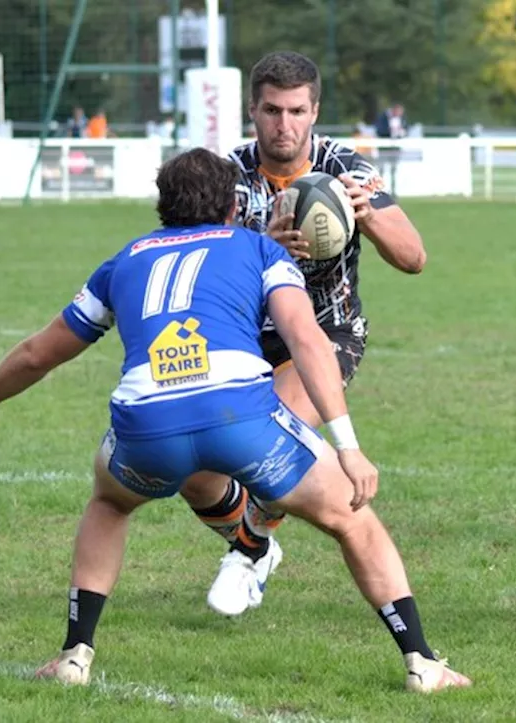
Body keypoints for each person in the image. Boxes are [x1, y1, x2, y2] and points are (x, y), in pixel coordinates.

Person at [0, 148, 470, 692]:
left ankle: (75, 653)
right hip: (239, 415)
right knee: (353, 520)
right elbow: (307, 340)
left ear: (162, 207)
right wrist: (347, 446)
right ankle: (422, 662)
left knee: (110, 503)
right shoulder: (258, 248)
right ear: (235, 205)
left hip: (145, 427)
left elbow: (39, 352)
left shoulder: (124, 261)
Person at [149, 50, 427, 619]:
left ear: (315, 110)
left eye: (297, 111)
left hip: (327, 334)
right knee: (195, 470)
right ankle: (255, 546)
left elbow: (414, 257)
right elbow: (196, 264)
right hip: (244, 339)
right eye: (272, 110)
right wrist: (262, 249)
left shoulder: (348, 169)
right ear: (253, 110)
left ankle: (243, 560)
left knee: (280, 430)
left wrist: (363, 213)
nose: (285, 124)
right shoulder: (225, 179)